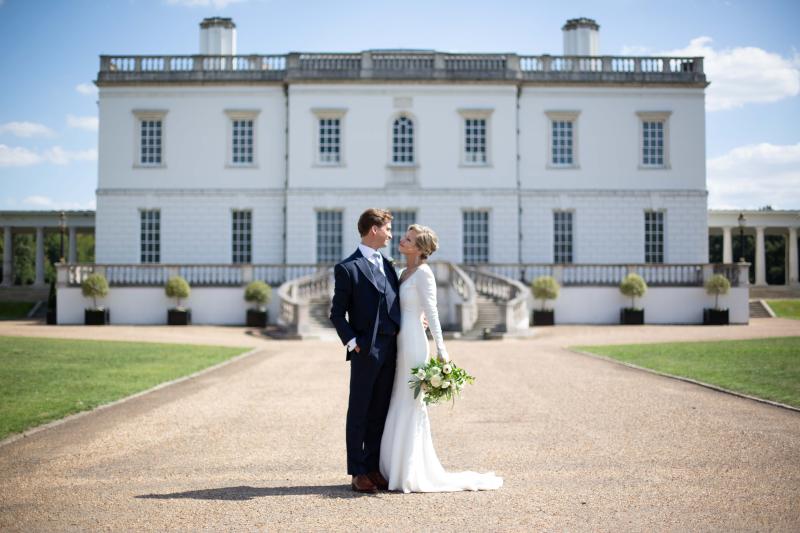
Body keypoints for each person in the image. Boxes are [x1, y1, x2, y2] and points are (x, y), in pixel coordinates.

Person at [379, 224, 503, 493]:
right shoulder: (403, 272)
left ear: (420, 249)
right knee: (398, 398)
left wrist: (442, 350)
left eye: (408, 239)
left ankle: (411, 471)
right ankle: (393, 468)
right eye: (404, 236)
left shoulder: (424, 274)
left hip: (414, 343)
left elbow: (432, 312)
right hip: (400, 340)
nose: (401, 240)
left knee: (411, 402)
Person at [329, 208, 401, 493]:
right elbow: (336, 314)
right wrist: (353, 342)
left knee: (380, 409)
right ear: (374, 229)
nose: (391, 235)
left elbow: (395, 301)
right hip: (365, 349)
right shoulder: (348, 268)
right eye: (388, 229)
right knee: (359, 410)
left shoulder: (389, 265)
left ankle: (372, 467)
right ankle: (357, 472)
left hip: (392, 347)